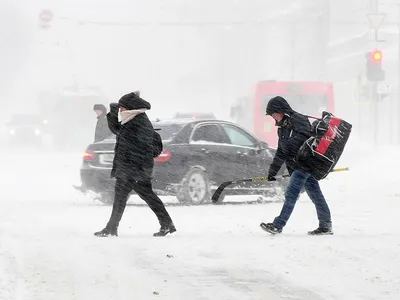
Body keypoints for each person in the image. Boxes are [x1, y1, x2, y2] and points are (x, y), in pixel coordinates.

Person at [94, 92, 176, 237]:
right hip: (131, 169)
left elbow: (143, 148)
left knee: (131, 198)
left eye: (122, 108)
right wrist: (113, 113)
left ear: (131, 107)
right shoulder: (132, 120)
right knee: (138, 197)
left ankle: (112, 228)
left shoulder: (140, 122)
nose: (121, 111)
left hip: (134, 169)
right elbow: (118, 131)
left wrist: (132, 167)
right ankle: (166, 224)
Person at [260, 96, 333, 235]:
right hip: (297, 166)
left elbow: (305, 140)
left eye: (274, 113)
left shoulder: (299, 120)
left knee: (291, 194)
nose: (273, 117)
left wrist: (291, 150)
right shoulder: (282, 127)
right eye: (271, 115)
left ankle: (278, 225)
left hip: (304, 164)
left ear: (281, 110)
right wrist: (273, 170)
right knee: (316, 195)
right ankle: (326, 225)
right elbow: (281, 151)